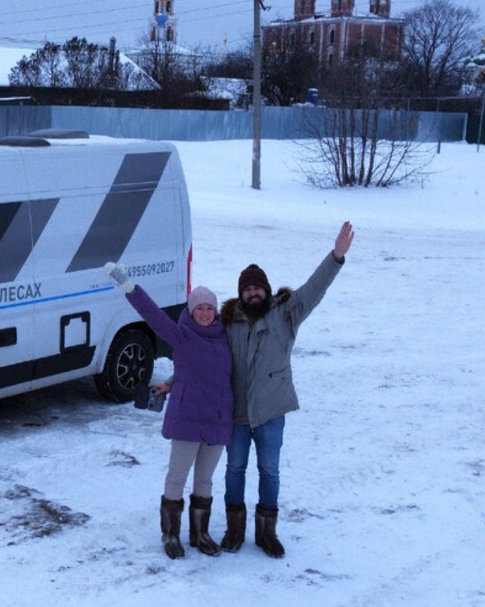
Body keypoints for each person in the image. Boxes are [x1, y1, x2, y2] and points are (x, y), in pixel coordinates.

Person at [218, 221, 354, 559]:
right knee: (234, 469)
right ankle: (234, 530)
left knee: (270, 471)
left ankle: (267, 533)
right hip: (236, 413)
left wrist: (336, 256)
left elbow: (314, 289)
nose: (253, 294)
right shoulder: (227, 322)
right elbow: (202, 363)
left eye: (257, 289)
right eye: (247, 289)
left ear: (265, 290)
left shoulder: (286, 314)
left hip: (271, 411)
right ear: (240, 293)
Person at [104, 263, 233, 560]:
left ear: (215, 311)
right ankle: (171, 534)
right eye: (198, 308)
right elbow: (153, 316)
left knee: (205, 481)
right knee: (176, 479)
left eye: (209, 308)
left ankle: (200, 534)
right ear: (190, 310)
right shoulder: (182, 335)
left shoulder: (224, 337)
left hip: (216, 420)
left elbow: (211, 372)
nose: (204, 312)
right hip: (188, 419)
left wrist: (173, 382)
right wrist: (129, 287)